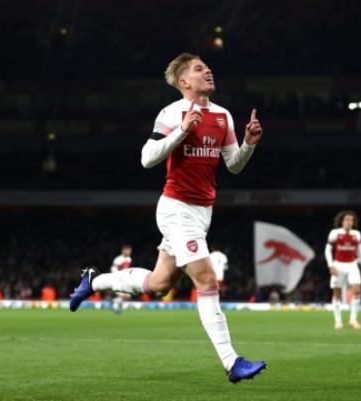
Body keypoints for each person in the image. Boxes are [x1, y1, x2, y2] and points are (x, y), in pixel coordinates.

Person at [69, 53, 266, 383]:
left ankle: (94, 281)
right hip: (176, 208)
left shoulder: (223, 116)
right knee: (206, 279)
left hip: (203, 211)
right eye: (199, 68)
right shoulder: (172, 113)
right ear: (184, 82)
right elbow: (147, 158)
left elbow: (233, 164)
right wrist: (180, 133)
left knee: (159, 285)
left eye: (207, 67)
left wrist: (248, 144)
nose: (208, 71)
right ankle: (232, 362)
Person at [325, 210, 361, 330]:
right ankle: (338, 321)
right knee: (337, 293)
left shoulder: (357, 234)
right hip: (338, 265)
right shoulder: (335, 233)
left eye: (352, 220)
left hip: (352, 265)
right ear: (342, 221)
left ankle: (353, 320)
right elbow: (327, 250)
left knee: (357, 290)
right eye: (347, 220)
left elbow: (360, 252)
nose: (350, 222)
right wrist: (330, 265)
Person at [110, 244, 133, 314]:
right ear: (123, 250)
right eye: (128, 250)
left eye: (130, 250)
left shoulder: (129, 259)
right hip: (118, 280)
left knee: (128, 296)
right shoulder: (118, 259)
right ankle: (116, 307)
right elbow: (113, 269)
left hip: (125, 280)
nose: (129, 252)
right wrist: (118, 276)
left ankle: (115, 303)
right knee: (124, 295)